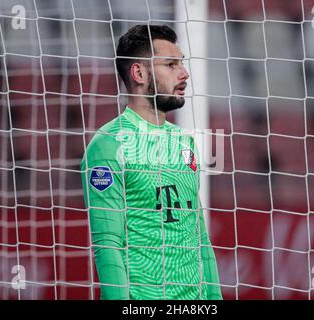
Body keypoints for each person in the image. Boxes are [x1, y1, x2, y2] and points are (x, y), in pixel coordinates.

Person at [81, 24, 222, 300]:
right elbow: (108, 245)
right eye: (171, 64)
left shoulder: (184, 142)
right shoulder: (109, 144)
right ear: (139, 73)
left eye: (181, 63)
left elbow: (199, 237)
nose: (184, 74)